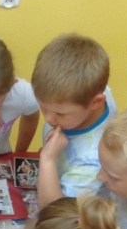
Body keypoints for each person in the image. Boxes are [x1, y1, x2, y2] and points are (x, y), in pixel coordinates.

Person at [31, 33, 117, 209]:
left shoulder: (92, 159)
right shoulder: (92, 90)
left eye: (60, 113)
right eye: (43, 107)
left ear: (95, 102)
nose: (48, 118)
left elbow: (55, 212)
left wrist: (47, 160)